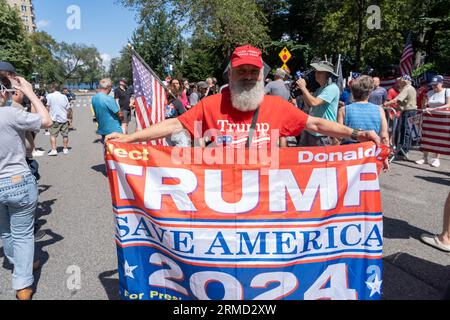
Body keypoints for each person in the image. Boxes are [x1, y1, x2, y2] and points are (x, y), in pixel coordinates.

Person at [106, 45, 380, 149]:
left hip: (263, 201)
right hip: (221, 199)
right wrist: (127, 138)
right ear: (231, 75)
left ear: (261, 75)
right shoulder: (212, 104)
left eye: (253, 71)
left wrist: (357, 134)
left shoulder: (277, 106)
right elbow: (174, 124)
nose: (248, 76)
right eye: (241, 71)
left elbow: (317, 124)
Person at [0, 74, 53, 300]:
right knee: (21, 234)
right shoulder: (10, 114)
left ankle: (19, 264)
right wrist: (29, 92)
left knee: (5, 231)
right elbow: (46, 121)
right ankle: (22, 284)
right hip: (17, 180)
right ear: (3, 93)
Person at [336, 76, 389, 170]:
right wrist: (385, 158)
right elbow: (384, 137)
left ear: (352, 92)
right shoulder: (379, 110)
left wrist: (334, 155)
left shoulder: (343, 110)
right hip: (370, 153)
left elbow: (338, 137)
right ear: (369, 93)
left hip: (348, 153)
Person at [296, 61, 341, 146]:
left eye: (320, 72)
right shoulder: (319, 89)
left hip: (322, 133)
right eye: (316, 71)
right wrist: (303, 91)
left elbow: (314, 102)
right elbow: (308, 105)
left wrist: (303, 88)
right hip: (311, 130)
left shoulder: (332, 88)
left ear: (327, 75)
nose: (316, 74)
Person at [415, 75, 450, 168]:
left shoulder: (447, 91)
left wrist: (437, 108)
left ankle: (436, 158)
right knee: (426, 137)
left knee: (439, 138)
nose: (434, 86)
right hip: (429, 119)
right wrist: (425, 105)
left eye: (436, 84)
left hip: (441, 119)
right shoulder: (429, 92)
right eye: (433, 84)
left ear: (441, 83)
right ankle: (424, 157)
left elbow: (448, 104)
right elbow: (425, 105)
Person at [92, 78, 124, 143]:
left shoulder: (94, 98)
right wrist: (122, 119)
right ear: (108, 87)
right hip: (114, 130)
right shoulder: (109, 99)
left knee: (106, 149)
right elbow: (120, 114)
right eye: (111, 87)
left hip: (103, 129)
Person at [45, 83, 71, 156]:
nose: (49, 89)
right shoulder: (64, 96)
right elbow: (68, 109)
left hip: (54, 119)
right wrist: (69, 118)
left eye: (50, 88)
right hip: (64, 118)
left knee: (53, 135)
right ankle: (65, 149)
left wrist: (45, 115)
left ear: (53, 88)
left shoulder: (49, 96)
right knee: (65, 135)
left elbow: (47, 107)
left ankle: (54, 150)